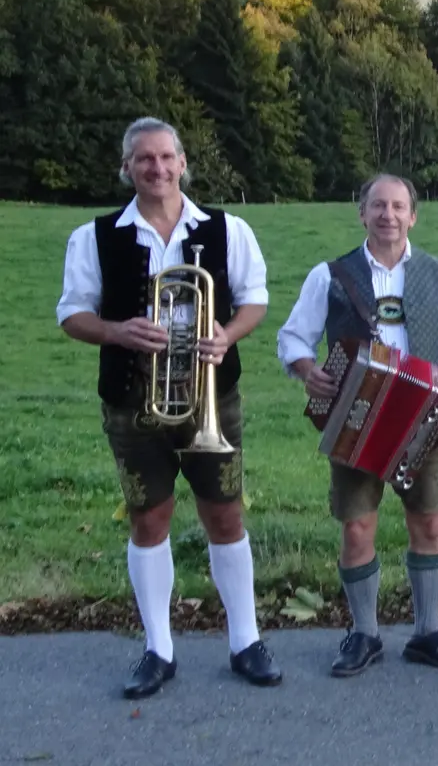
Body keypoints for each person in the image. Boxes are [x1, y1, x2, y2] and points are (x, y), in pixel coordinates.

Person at [57, 117, 281, 699]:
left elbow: (255, 299)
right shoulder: (95, 236)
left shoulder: (227, 229)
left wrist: (227, 335)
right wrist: (116, 330)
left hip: (212, 397)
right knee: (148, 520)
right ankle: (159, 648)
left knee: (225, 515)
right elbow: (71, 315)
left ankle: (246, 641)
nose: (156, 168)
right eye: (143, 159)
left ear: (183, 162)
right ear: (127, 168)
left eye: (165, 157)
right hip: (132, 402)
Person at [278, 174, 438, 676]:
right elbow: (292, 340)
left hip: (421, 420)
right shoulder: (330, 275)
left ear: (413, 215)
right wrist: (309, 373)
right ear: (361, 213)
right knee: (357, 526)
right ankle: (364, 633)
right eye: (377, 206)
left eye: (398, 206)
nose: (388, 215)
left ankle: (428, 631)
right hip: (356, 418)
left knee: (429, 523)